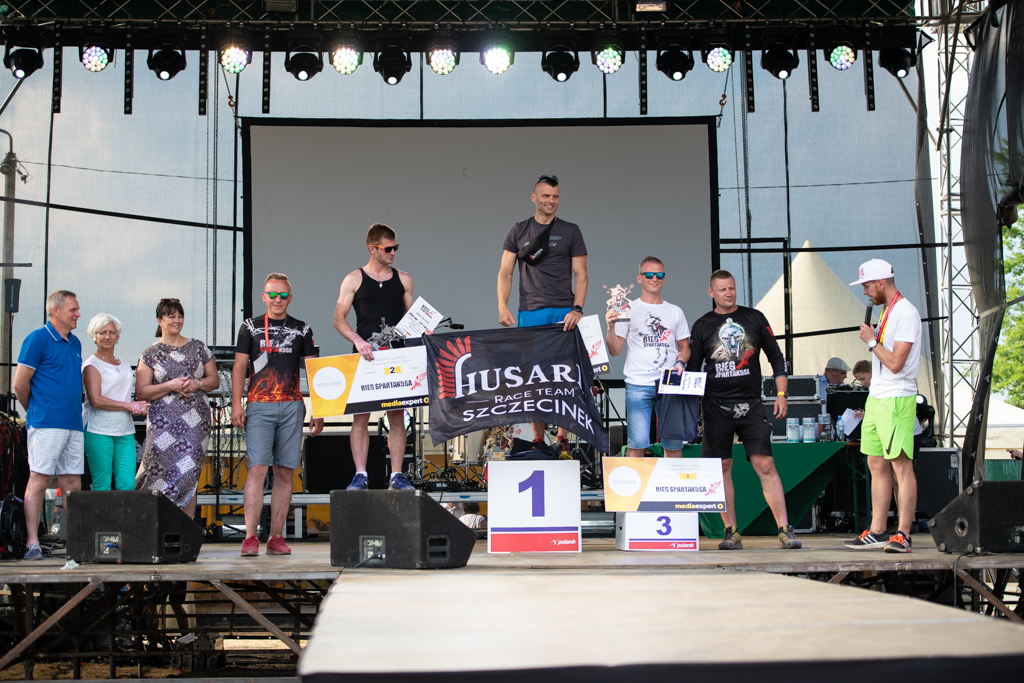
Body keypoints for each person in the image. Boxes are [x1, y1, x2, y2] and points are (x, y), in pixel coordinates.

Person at [686, 270, 801, 550]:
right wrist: (688, 407)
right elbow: (693, 369)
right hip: (715, 406)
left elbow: (777, 358)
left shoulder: (755, 318)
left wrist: (782, 394)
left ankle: (785, 529)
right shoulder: (702, 325)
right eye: (722, 289)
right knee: (722, 466)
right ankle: (731, 531)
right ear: (711, 292)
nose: (729, 293)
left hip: (751, 404)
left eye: (732, 288)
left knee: (766, 464)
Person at [233, 273, 324, 557]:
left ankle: (276, 536)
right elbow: (239, 367)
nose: (277, 299)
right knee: (257, 469)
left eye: (283, 295)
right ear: (264, 297)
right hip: (259, 405)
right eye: (272, 294)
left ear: (290, 298)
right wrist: (237, 404)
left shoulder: (302, 328)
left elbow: (314, 370)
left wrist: (319, 408)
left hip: (292, 405)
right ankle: (250, 537)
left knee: (285, 471)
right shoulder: (250, 326)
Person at [497, 174, 588, 451]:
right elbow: (505, 272)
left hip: (563, 311)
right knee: (534, 378)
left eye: (555, 196)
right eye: (546, 195)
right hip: (531, 311)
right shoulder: (518, 230)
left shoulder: (571, 230)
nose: (551, 201)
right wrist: (502, 305)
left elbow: (581, 274)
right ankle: (538, 439)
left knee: (564, 376)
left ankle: (562, 440)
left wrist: (577, 309)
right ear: (534, 197)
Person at [843, 259, 921, 554]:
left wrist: (872, 341)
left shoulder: (906, 312)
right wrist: (874, 340)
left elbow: (897, 363)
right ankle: (877, 531)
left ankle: (903, 533)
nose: (864, 292)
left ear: (880, 283)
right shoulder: (888, 311)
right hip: (877, 396)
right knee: (875, 462)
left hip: (897, 397)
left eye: (866, 286)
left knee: (901, 465)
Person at [333, 223, 417, 491]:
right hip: (366, 357)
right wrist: (357, 340)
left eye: (396, 248)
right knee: (360, 417)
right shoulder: (353, 279)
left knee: (397, 416)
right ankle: (360, 474)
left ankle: (396, 475)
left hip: (396, 358)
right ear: (373, 248)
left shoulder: (404, 279)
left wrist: (425, 328)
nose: (393, 252)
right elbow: (338, 318)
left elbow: (412, 318)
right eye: (388, 248)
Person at [13, 291, 84, 560]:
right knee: (39, 478)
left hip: (73, 423)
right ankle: (32, 543)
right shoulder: (37, 339)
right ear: (55, 311)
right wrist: (35, 411)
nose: (77, 314)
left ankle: (76, 543)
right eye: (73, 310)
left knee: (72, 482)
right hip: (46, 423)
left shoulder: (75, 343)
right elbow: (20, 384)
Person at [135, 298, 219, 517]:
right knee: (156, 471)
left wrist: (197, 383)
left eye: (180, 316)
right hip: (162, 424)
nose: (177, 320)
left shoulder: (198, 347)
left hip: (195, 422)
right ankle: (154, 526)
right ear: (159, 320)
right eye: (171, 316)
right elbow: (141, 391)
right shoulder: (150, 353)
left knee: (188, 473)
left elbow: (214, 380)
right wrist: (170, 385)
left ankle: (185, 528)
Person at [604, 256, 690, 457]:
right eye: (649, 274)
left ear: (664, 279)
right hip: (638, 383)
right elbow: (615, 350)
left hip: (669, 383)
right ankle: (637, 481)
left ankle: (672, 479)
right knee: (636, 445)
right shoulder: (628, 309)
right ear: (639, 278)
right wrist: (610, 327)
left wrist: (680, 361)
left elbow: (685, 347)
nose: (654, 278)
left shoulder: (675, 311)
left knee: (673, 445)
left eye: (659, 275)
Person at [82, 313, 149, 491]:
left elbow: (124, 396)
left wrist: (138, 406)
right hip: (98, 429)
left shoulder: (124, 363)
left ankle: (124, 513)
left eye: (112, 332)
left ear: (117, 336)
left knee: (127, 484)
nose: (107, 336)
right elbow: (95, 400)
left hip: (124, 430)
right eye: (102, 332)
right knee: (102, 483)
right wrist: (129, 406)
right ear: (94, 336)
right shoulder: (91, 364)